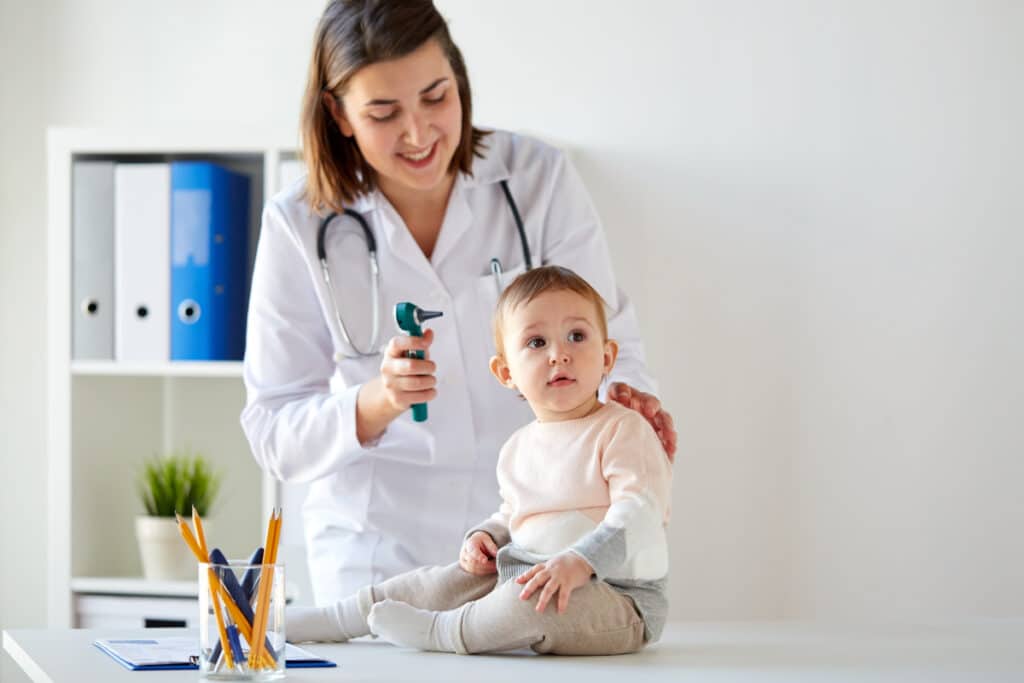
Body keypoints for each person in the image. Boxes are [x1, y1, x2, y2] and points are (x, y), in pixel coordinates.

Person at [240, 0, 677, 606]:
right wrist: (377, 400)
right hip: (377, 548)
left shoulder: (536, 179)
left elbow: (608, 340)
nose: (418, 134)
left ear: (459, 77)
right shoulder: (299, 224)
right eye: (384, 112)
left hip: (535, 532)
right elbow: (273, 432)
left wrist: (628, 409)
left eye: (436, 97)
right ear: (339, 114)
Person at [287, 266, 672, 655]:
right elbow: (515, 515)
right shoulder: (519, 446)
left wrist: (582, 561)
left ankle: (444, 632)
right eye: (537, 342)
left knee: (531, 605)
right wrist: (487, 537)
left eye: (577, 336)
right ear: (506, 372)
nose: (560, 355)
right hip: (532, 569)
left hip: (617, 598)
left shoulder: (623, 430)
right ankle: (338, 618)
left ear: (607, 357)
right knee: (442, 581)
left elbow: (639, 512)